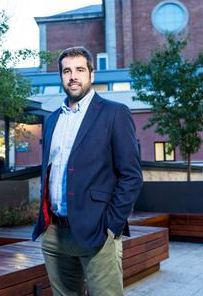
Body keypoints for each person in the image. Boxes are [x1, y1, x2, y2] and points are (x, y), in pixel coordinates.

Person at [32, 46, 143, 295]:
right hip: (55, 234)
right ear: (60, 76)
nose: (73, 76)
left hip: (97, 231)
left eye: (80, 70)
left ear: (91, 75)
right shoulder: (52, 120)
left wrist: (112, 225)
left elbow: (131, 175)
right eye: (67, 71)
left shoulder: (114, 113)